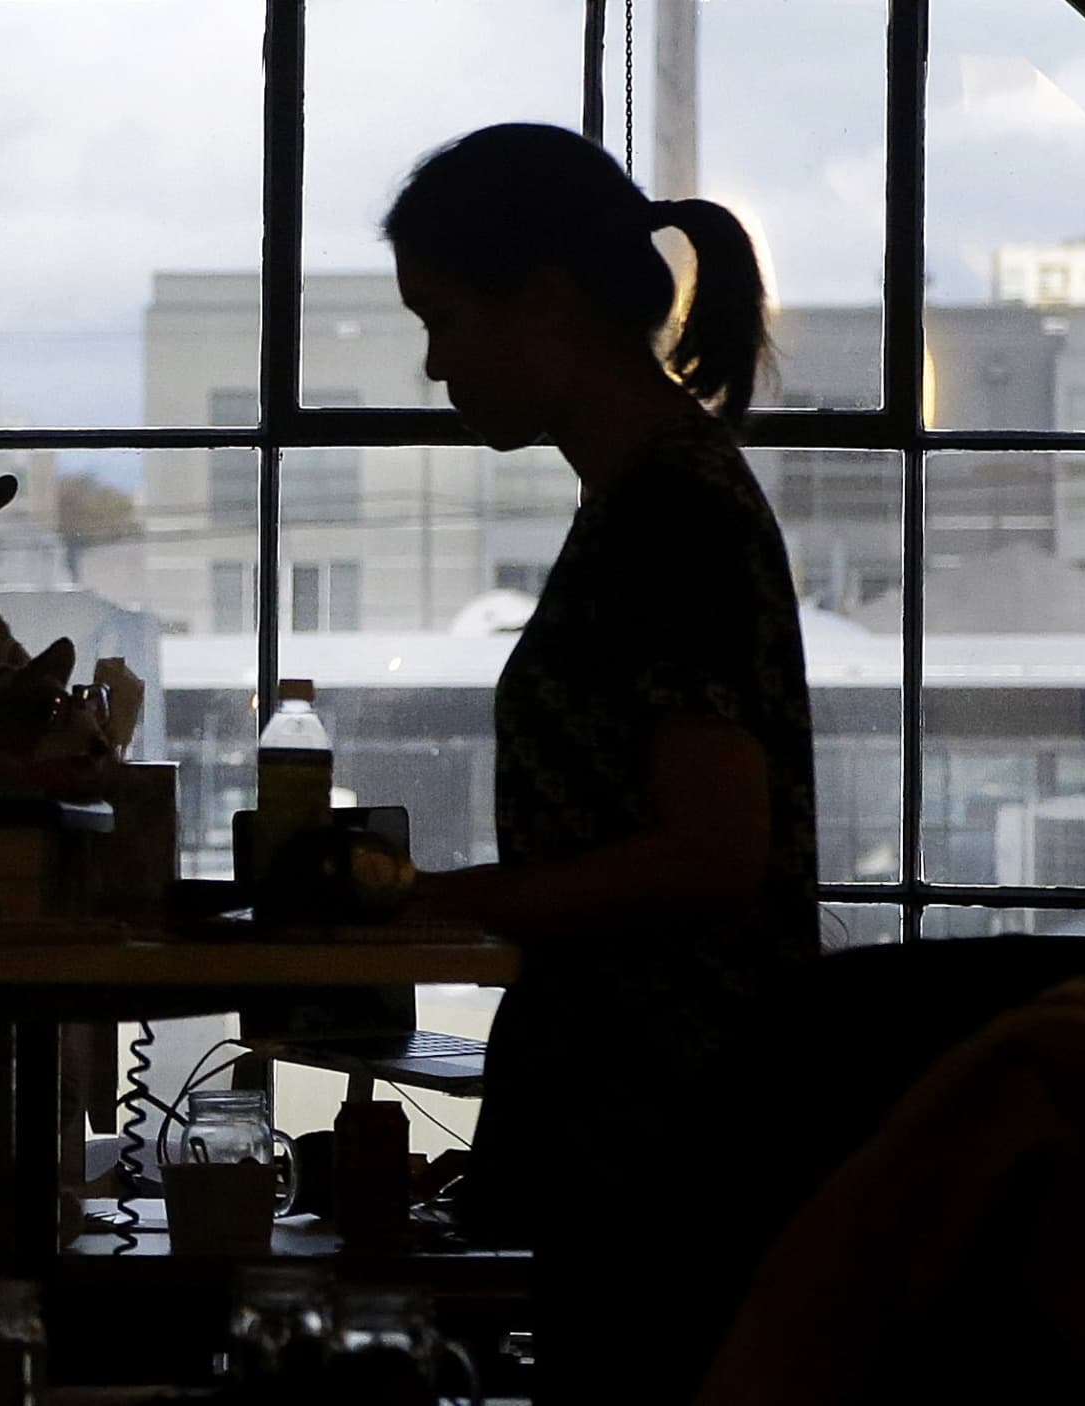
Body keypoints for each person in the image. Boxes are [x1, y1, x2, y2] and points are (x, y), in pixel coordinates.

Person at [381, 124, 818, 1401]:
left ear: (547, 301)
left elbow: (710, 856)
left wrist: (437, 898)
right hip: (664, 1125)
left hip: (673, 1140)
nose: (435, 363)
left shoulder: (668, 514)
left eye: (446, 318)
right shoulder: (650, 496)